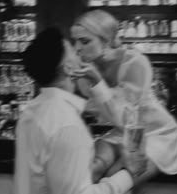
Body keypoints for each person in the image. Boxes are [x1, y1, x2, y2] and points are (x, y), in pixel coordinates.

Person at [14, 27, 146, 194]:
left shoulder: (33, 110)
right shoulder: (68, 125)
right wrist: (129, 175)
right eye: (74, 52)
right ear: (68, 68)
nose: (79, 52)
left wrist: (96, 81)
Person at [70, 9, 177, 184]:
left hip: (154, 133)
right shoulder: (87, 72)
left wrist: (98, 82)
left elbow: (128, 119)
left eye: (85, 41)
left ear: (106, 40)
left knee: (115, 177)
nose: (77, 48)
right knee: (91, 170)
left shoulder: (134, 62)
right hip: (121, 132)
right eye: (75, 41)